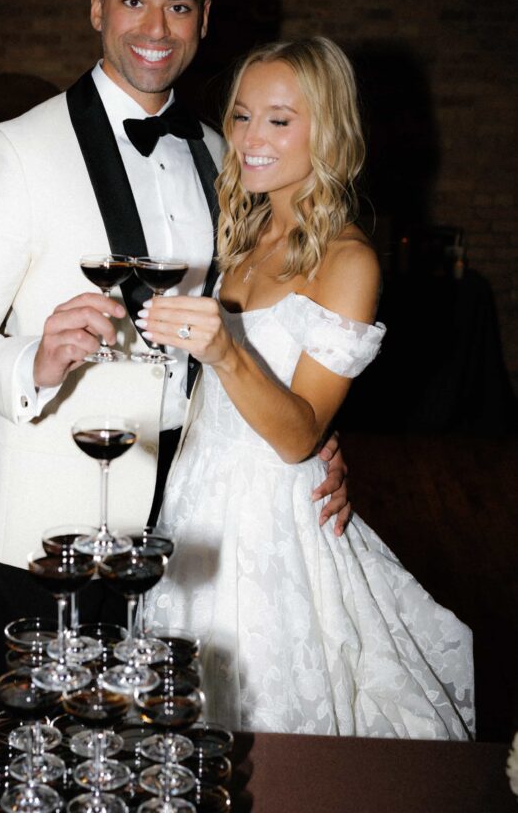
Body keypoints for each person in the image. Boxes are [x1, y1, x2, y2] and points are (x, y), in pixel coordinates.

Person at [0, 0, 350, 703]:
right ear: (95, 7)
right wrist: (32, 361)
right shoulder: (17, 147)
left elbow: (255, 322)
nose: (155, 27)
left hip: (193, 533)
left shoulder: (222, 152)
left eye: (178, 5)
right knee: (47, 755)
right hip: (52, 531)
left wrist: (306, 435)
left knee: (154, 755)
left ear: (203, 18)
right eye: (132, 0)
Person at [142, 37, 475, 740]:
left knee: (265, 723)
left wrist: (226, 351)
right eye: (240, 116)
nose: (250, 139)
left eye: (279, 120)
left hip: (270, 520)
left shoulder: (347, 260)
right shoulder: (244, 226)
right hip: (196, 496)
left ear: (326, 130)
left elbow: (297, 436)